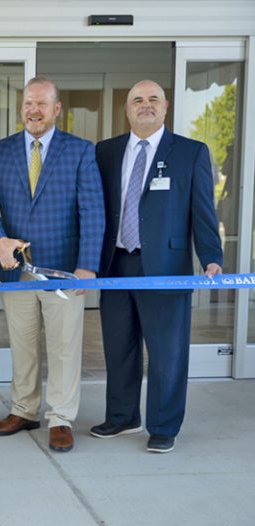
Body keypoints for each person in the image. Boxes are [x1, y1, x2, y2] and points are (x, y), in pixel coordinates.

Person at [91, 80, 223, 453]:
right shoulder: (106, 152)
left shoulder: (190, 152)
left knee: (167, 353)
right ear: (127, 109)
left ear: (165, 107)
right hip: (116, 264)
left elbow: (203, 212)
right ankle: (122, 417)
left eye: (153, 99)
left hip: (166, 267)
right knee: (119, 348)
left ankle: (164, 426)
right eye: (137, 100)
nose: (145, 105)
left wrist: (212, 256)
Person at [0, 77, 105, 453]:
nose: (34, 110)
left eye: (42, 104)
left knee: (65, 346)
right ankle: (24, 409)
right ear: (22, 109)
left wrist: (87, 266)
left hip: (65, 269)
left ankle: (61, 417)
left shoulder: (80, 151)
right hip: (15, 270)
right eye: (28, 104)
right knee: (23, 344)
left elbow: (92, 210)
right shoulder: (1, 152)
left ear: (56, 109)